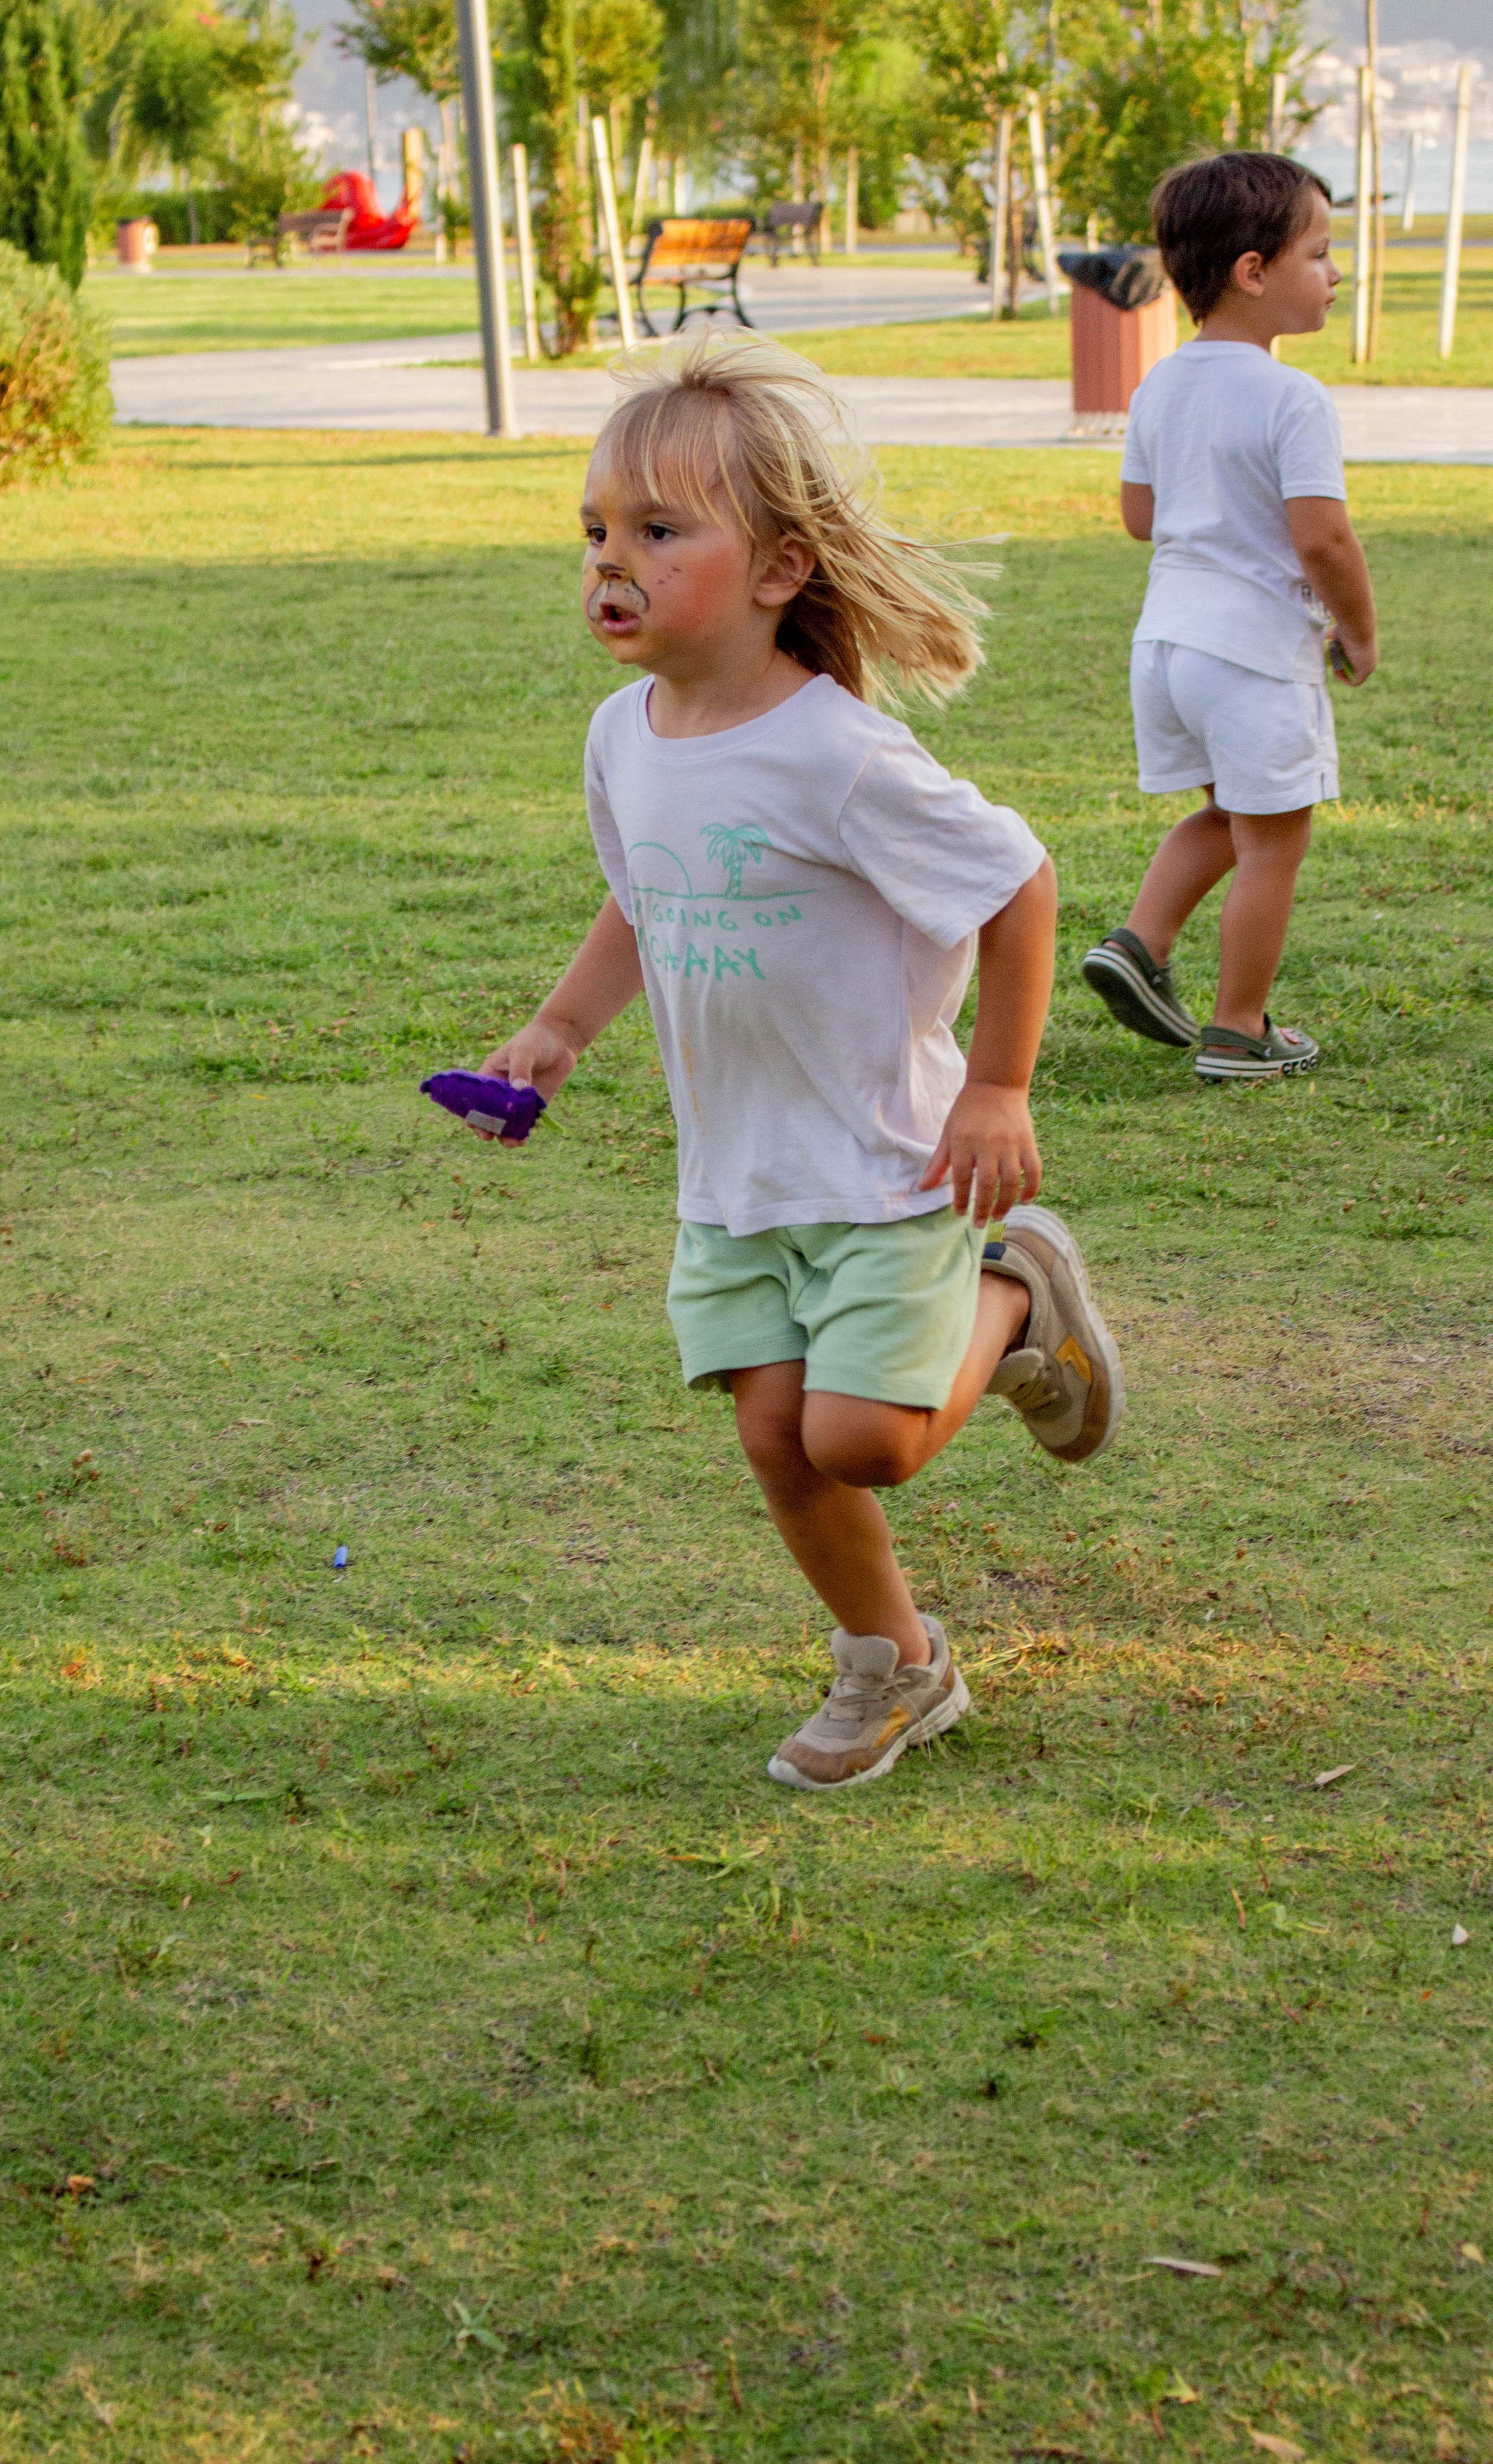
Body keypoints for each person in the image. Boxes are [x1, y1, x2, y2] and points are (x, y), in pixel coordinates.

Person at [461, 333, 1123, 1793]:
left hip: (886, 1163)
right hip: (736, 1177)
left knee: (864, 1441)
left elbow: (1014, 883)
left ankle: (1012, 1303)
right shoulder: (619, 736)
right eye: (593, 532)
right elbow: (644, 897)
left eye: (656, 531)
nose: (608, 563)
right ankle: (895, 1663)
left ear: (775, 570)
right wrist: (558, 1032)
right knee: (777, 1436)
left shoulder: (838, 755)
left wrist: (997, 1090)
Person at [1082, 152, 1378, 1082]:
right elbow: (1323, 539)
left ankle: (1140, 940)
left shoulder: (1163, 383)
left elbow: (1140, 517)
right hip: (1252, 654)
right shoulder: (1291, 396)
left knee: (1228, 816)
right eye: (1321, 254)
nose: (1337, 274)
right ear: (1255, 273)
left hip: (1167, 647)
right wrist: (1359, 632)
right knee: (1276, 843)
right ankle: (1239, 1028)